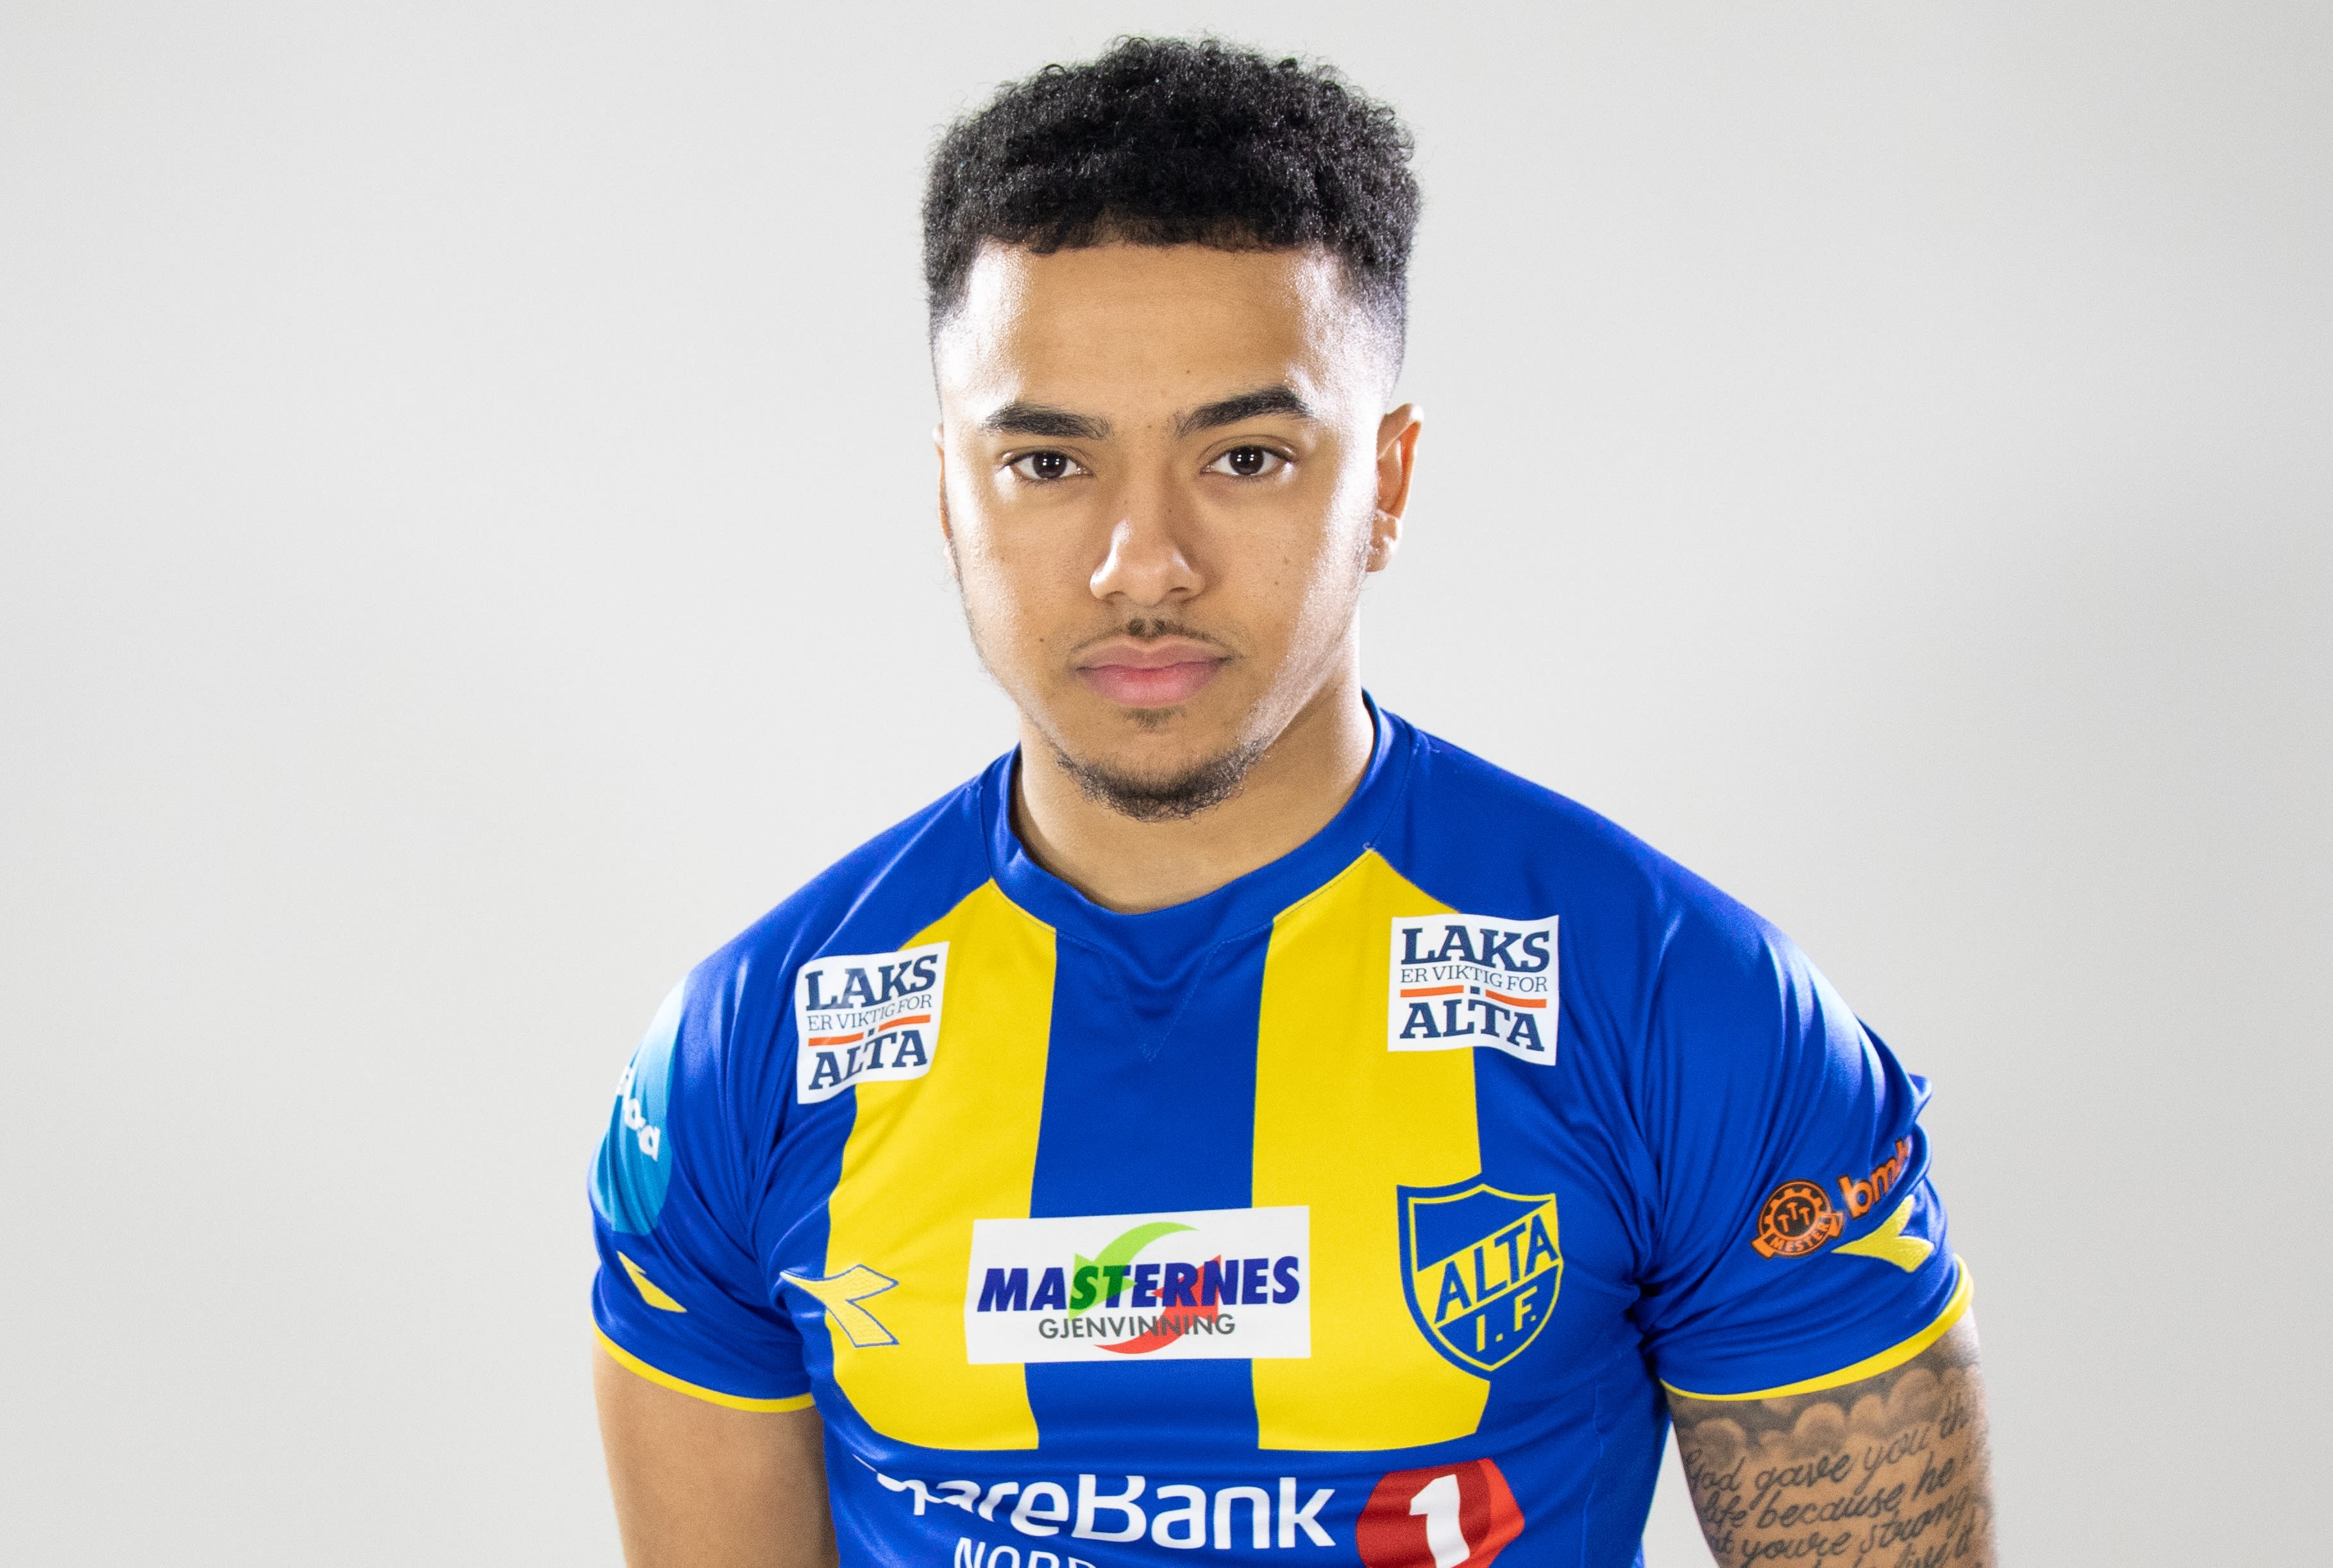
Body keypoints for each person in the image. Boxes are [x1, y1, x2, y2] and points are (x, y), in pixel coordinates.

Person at [587, 37, 1998, 1568]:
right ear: (948, 492)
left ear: (1385, 483)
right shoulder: (750, 1048)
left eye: (1246, 455)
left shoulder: (1679, 1007)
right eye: (1048, 461)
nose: (1141, 561)